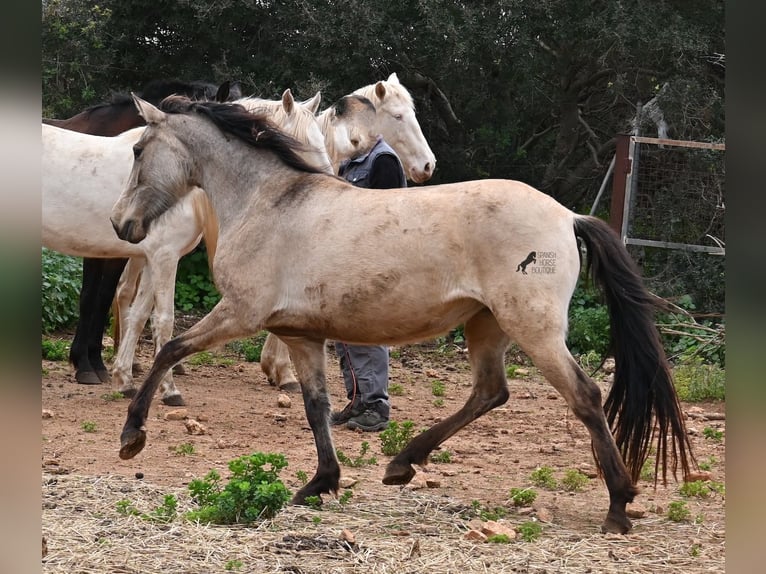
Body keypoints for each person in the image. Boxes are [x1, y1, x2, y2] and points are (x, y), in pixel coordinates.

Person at [330, 134, 407, 432]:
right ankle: (358, 401)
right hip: (348, 258)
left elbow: (387, 217)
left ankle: (376, 405)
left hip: (369, 261)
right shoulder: (351, 161)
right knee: (345, 334)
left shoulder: (383, 160)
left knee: (367, 332)